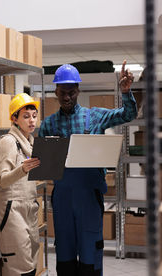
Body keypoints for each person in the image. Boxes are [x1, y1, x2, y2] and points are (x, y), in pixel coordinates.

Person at [39, 60, 137, 276]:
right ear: (55, 91)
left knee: (90, 249)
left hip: (89, 197)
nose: (67, 97)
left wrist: (126, 93)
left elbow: (127, 115)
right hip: (63, 198)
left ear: (78, 91)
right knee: (64, 248)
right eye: (62, 92)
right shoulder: (48, 125)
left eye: (71, 93)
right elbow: (42, 165)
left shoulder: (95, 116)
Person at [0, 93, 41, 276]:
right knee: (19, 267)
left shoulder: (30, 142)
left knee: (31, 263)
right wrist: (23, 169)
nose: (31, 121)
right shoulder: (8, 142)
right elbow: (3, 180)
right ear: (14, 119)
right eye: (26, 116)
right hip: (12, 210)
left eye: (34, 116)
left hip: (29, 207)